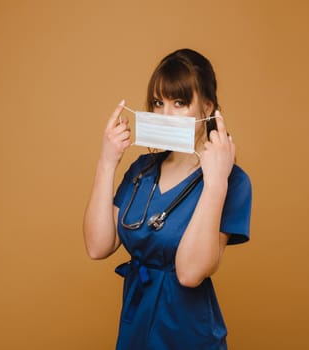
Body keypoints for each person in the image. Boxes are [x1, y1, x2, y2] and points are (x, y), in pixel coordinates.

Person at [83, 48, 252, 349]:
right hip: (136, 325)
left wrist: (215, 183)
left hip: (188, 335)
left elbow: (189, 273)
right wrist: (106, 162)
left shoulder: (232, 181)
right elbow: (98, 246)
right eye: (158, 103)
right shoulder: (142, 171)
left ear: (207, 107)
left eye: (179, 103)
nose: (165, 115)